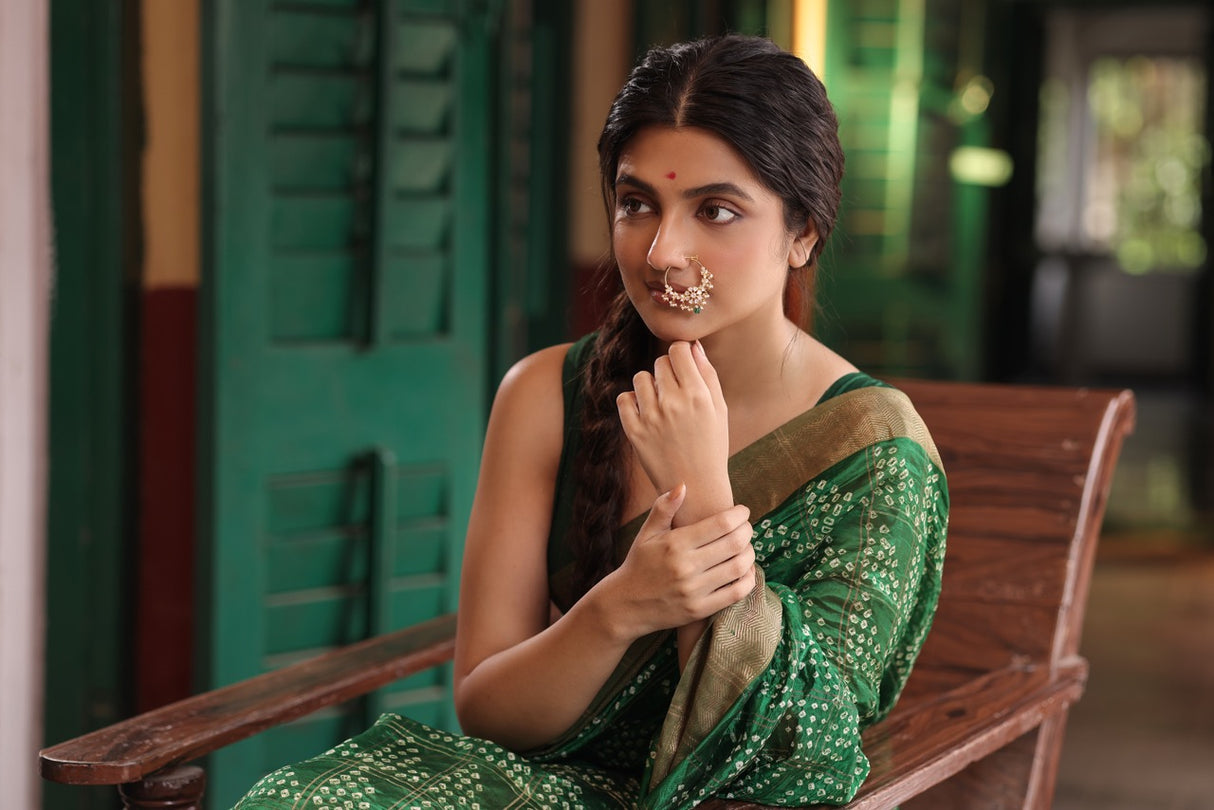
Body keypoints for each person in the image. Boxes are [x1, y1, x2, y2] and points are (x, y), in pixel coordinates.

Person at [235, 34, 947, 809]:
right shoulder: (547, 393)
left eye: (715, 210)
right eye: (638, 203)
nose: (664, 250)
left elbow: (801, 759)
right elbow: (487, 711)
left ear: (803, 231)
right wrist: (622, 606)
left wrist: (700, 490)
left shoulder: (875, 448)